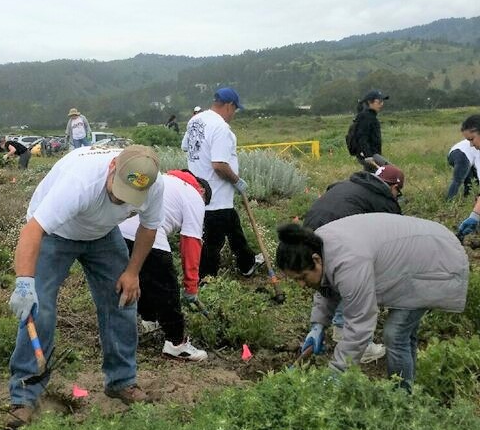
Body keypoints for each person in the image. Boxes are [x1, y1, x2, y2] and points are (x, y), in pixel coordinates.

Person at [5, 145, 164, 430]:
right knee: (39, 309)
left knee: (123, 298)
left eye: (127, 198)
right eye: (117, 191)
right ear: (113, 167)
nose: (119, 199)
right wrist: (25, 283)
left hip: (102, 235)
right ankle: (24, 397)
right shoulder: (80, 182)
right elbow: (33, 231)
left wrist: (132, 272)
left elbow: (148, 228)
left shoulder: (152, 183)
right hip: (56, 233)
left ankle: (121, 381)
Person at [276, 214, 469, 391]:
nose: (301, 285)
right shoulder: (314, 246)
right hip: (414, 255)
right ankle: (407, 388)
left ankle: (401, 398)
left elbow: (359, 325)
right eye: (295, 280)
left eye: (302, 277)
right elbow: (327, 285)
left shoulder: (349, 262)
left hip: (432, 260)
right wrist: (318, 325)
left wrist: (337, 370)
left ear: (316, 260)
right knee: (402, 335)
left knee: (395, 334)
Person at [303, 163, 404, 365]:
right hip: (338, 235)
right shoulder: (385, 202)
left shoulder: (349, 185)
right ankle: (355, 340)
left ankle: (326, 327)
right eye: (397, 192)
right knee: (353, 275)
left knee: (328, 276)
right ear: (394, 187)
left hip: (310, 230)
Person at [120, 170, 211, 362]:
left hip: (118, 230)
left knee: (141, 276)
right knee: (166, 286)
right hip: (147, 233)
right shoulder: (194, 195)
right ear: (202, 191)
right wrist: (191, 286)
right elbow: (191, 243)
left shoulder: (168, 180)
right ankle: (176, 343)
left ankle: (149, 321)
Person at [182, 86, 261, 279]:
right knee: (212, 242)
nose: (233, 114)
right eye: (234, 110)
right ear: (229, 105)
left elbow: (186, 147)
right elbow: (219, 165)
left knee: (232, 226)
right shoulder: (220, 128)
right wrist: (236, 180)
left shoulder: (195, 121)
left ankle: (247, 263)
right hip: (216, 196)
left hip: (196, 192)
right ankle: (206, 281)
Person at [347, 89, 388, 169]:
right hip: (370, 156)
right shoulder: (366, 117)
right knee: (393, 173)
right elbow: (361, 137)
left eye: (382, 101)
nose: (381, 104)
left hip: (371, 155)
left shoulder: (370, 116)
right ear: (370, 102)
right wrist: (368, 156)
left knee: (370, 178)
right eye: (379, 102)